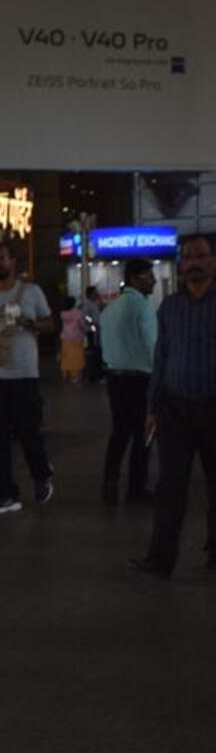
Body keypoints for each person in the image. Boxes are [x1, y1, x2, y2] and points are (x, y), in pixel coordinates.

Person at [132, 233, 216, 578]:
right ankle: (160, 559)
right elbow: (161, 357)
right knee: (170, 488)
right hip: (174, 409)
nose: (193, 262)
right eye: (187, 257)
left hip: (214, 407)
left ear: (213, 262)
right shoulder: (170, 307)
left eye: (200, 256)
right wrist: (152, 408)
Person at [0, 243, 55, 516]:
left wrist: (28, 324)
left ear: (13, 262)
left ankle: (42, 473)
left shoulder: (31, 292)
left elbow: (49, 324)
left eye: (3, 259)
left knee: (28, 433)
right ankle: (6, 494)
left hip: (25, 376)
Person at [100, 258, 157, 504]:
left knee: (120, 433)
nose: (153, 280)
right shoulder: (142, 306)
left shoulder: (110, 308)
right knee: (143, 434)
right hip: (140, 381)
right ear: (135, 278)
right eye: (148, 276)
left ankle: (110, 482)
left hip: (115, 379)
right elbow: (152, 345)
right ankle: (136, 488)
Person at [58, 295, 87, 383]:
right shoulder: (78, 313)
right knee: (77, 358)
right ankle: (74, 377)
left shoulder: (62, 314)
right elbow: (82, 324)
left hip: (65, 338)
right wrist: (85, 329)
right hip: (77, 338)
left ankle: (65, 375)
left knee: (66, 357)